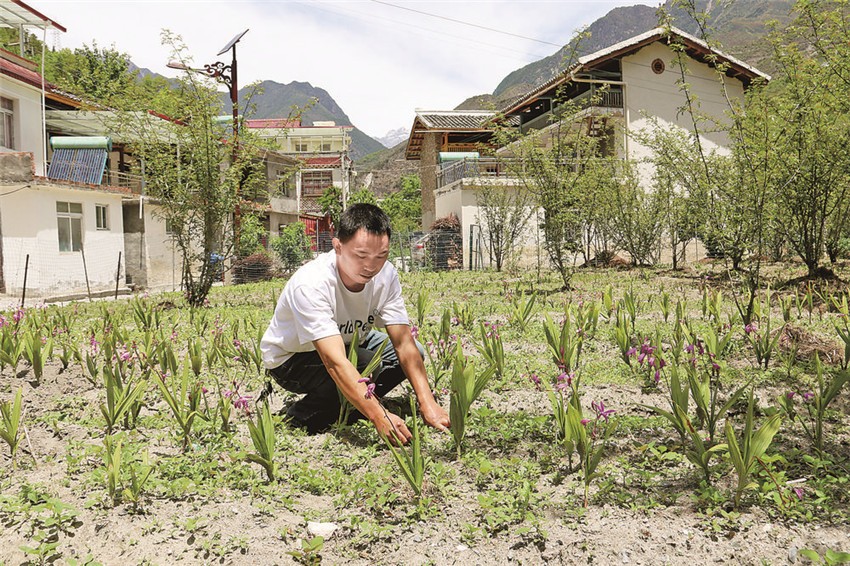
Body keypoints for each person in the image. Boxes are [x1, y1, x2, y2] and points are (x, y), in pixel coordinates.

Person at [261, 203, 450, 443]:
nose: (371, 266)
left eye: (381, 256)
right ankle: (303, 414)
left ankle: (352, 403)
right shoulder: (311, 283)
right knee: (366, 364)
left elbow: (404, 343)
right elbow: (335, 361)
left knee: (414, 352)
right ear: (338, 246)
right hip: (292, 358)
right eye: (361, 256)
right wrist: (379, 416)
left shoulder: (386, 275)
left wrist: (428, 402)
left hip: (349, 342)